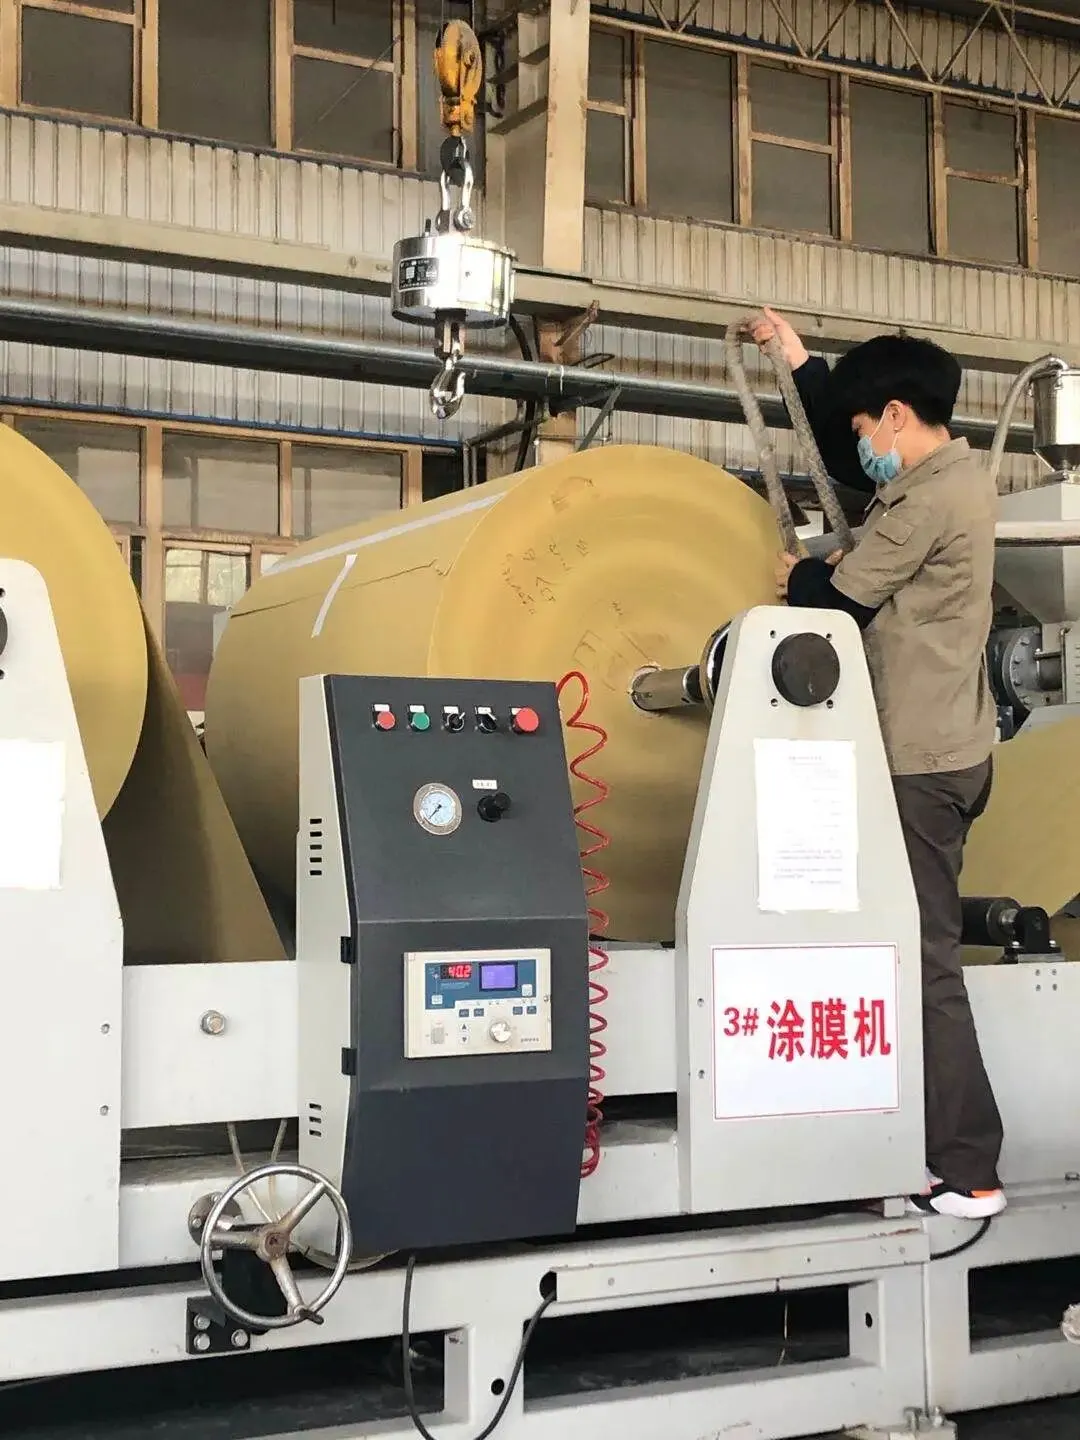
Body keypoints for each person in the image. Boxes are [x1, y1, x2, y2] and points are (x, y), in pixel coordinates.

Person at [750, 306, 1005, 1221]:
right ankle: (908, 1141)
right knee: (904, 951)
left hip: (920, 766)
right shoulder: (945, 475)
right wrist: (798, 363)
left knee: (926, 963)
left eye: (865, 426)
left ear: (897, 416)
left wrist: (796, 577)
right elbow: (847, 463)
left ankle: (968, 1169)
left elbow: (836, 602)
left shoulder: (929, 501)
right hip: (947, 746)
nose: (860, 445)